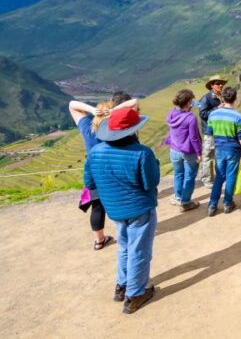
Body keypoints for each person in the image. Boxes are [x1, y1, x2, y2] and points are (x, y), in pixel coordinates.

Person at [84, 107, 159, 314]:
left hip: (114, 208)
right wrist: (154, 165)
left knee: (125, 246)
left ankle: (122, 286)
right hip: (140, 208)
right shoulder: (142, 153)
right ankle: (134, 295)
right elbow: (150, 183)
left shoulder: (95, 152)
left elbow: (90, 183)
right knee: (139, 250)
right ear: (133, 130)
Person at [70, 96, 138, 250]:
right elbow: (134, 102)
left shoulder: (88, 129)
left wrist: (92, 110)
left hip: (96, 176)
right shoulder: (117, 132)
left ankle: (99, 240)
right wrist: (114, 110)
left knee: (97, 207)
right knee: (123, 204)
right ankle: (127, 236)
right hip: (117, 175)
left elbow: (72, 105)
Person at [206, 86, 241, 216]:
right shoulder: (238, 116)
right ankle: (228, 203)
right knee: (231, 175)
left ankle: (212, 205)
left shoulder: (213, 114)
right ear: (235, 99)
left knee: (219, 176)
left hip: (219, 148)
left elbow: (210, 133)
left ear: (222, 98)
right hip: (233, 149)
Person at [164, 89, 202, 212]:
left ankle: (177, 197)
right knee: (189, 176)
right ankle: (186, 202)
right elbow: (194, 138)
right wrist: (199, 153)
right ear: (189, 102)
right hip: (188, 151)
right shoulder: (191, 118)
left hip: (174, 150)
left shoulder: (171, 113)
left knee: (178, 174)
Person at [198, 76, 226, 188]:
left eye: (221, 83)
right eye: (218, 83)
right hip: (210, 132)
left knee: (219, 155)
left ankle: (219, 177)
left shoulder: (221, 97)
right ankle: (207, 180)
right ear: (211, 85)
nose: (221, 85)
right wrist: (217, 109)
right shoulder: (205, 98)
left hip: (221, 131)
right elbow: (203, 114)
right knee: (208, 156)